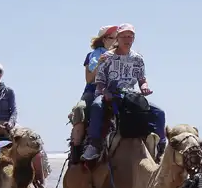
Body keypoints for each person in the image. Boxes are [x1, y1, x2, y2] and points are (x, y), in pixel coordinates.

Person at [82, 23, 167, 161]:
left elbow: (142, 79)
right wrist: (105, 92)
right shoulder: (107, 57)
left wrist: (144, 87)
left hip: (130, 95)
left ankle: (161, 147)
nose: (128, 39)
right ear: (118, 38)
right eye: (124, 36)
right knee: (97, 106)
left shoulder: (137, 58)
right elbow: (99, 82)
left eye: (131, 36)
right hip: (109, 93)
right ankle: (94, 144)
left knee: (159, 112)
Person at [69, 25, 117, 162]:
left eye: (117, 38)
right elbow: (89, 79)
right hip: (92, 90)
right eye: (112, 38)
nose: (116, 41)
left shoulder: (123, 55)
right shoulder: (92, 56)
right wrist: (100, 63)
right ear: (104, 39)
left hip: (115, 90)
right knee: (80, 109)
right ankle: (76, 151)